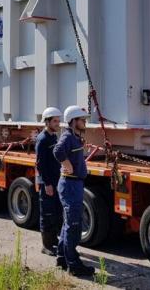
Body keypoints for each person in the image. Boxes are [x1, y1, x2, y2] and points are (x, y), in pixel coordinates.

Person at [53, 105, 95, 277]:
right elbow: (57, 151)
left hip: (74, 184)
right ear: (73, 121)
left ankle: (62, 257)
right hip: (70, 185)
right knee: (73, 225)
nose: (85, 122)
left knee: (68, 223)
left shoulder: (76, 137)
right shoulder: (68, 136)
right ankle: (74, 265)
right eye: (82, 120)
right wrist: (66, 163)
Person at [35, 107, 63, 256]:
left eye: (58, 121)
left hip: (55, 180)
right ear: (47, 122)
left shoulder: (53, 137)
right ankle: (46, 245)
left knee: (56, 212)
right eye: (55, 121)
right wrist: (47, 184)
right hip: (47, 183)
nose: (58, 124)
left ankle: (53, 240)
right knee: (46, 213)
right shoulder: (43, 139)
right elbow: (40, 164)